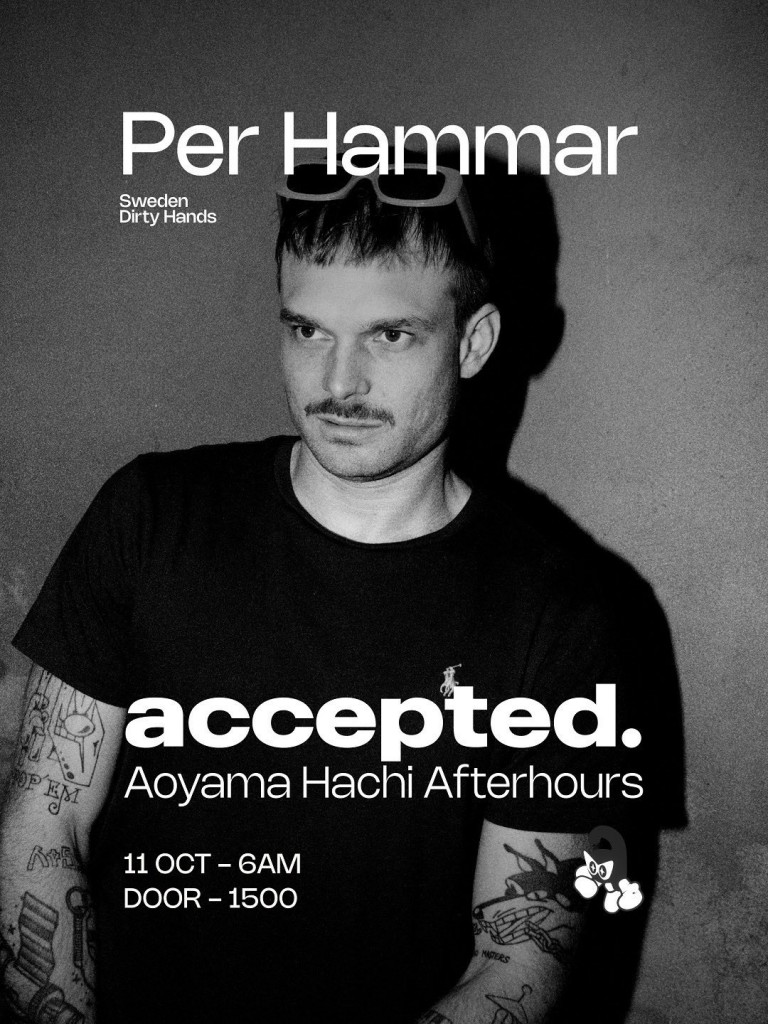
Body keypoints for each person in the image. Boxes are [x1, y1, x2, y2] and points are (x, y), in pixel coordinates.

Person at [1, 160, 663, 1023]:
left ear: (474, 342)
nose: (339, 381)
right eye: (308, 330)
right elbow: (43, 822)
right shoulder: (152, 515)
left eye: (390, 335)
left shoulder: (565, 613)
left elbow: (521, 958)